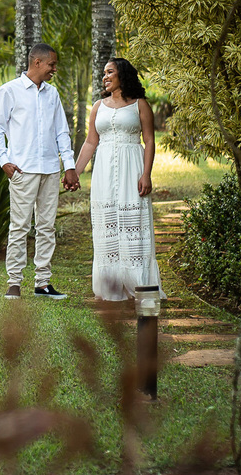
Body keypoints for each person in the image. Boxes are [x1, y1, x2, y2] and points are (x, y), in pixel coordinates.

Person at [0, 43, 80, 300]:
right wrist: (4, 160)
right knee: (19, 226)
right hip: (22, 169)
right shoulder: (9, 91)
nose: (55, 69)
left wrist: (70, 165)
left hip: (50, 169)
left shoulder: (52, 94)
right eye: (52, 64)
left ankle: (43, 283)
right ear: (37, 62)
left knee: (46, 227)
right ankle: (14, 283)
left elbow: (62, 131)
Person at [73, 57, 164, 302]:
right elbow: (91, 142)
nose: (105, 77)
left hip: (132, 169)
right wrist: (75, 171)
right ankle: (111, 285)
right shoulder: (98, 107)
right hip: (103, 172)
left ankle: (140, 284)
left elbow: (150, 141)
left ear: (122, 75)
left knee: (134, 223)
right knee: (107, 223)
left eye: (109, 72)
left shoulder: (140, 105)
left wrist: (146, 174)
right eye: (104, 72)